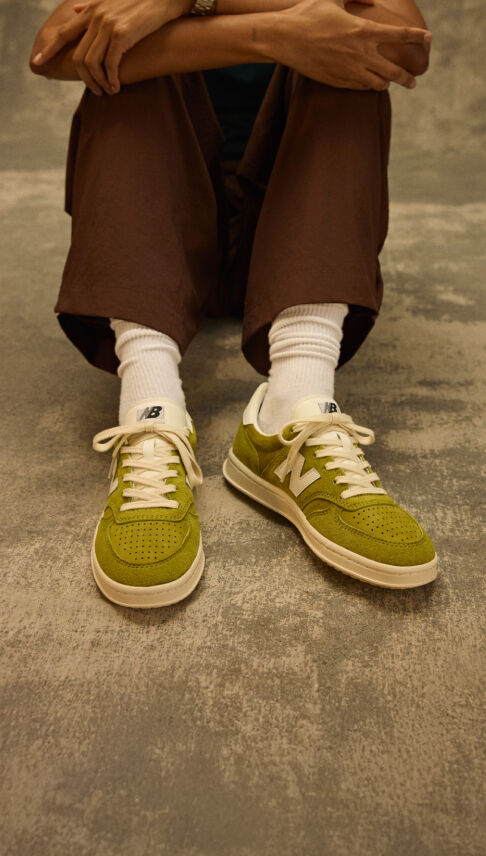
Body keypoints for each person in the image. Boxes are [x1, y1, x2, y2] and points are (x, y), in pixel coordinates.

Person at [29, 0, 436, 608]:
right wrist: (277, 31)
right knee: (119, 63)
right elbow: (54, 50)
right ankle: (151, 412)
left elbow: (404, 39)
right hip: (160, 242)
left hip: (292, 248)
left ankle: (292, 406)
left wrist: (178, 8)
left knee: (349, 56)